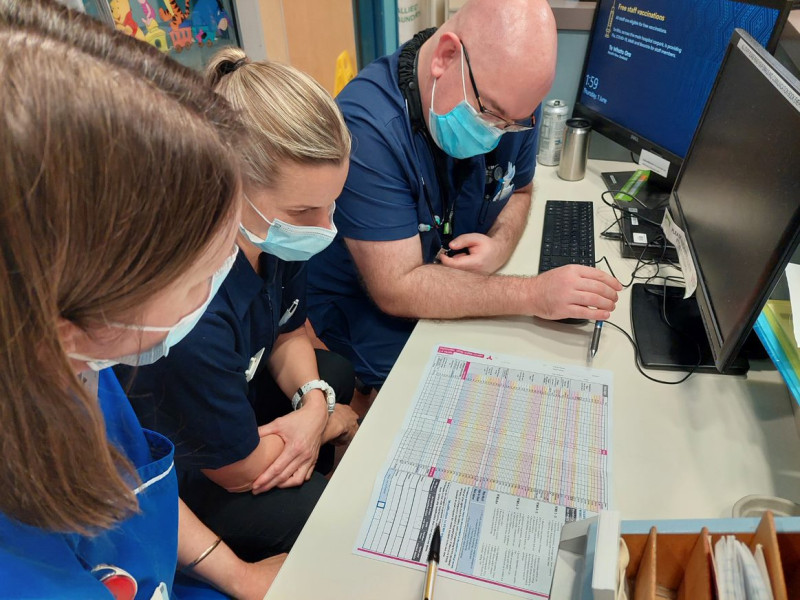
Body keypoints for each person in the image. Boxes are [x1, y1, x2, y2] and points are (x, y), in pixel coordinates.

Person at [0, 3, 278, 597]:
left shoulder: (84, 368)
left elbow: (141, 494)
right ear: (66, 321)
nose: (216, 289)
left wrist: (243, 577)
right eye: (199, 275)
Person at [117, 47, 360, 563]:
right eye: (304, 210)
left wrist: (315, 402)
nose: (325, 227)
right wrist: (326, 424)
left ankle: (299, 449)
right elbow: (239, 473)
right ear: (231, 184)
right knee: (322, 512)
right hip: (195, 468)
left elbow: (289, 329)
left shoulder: (273, 232)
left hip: (233, 397)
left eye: (332, 202)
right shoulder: (189, 314)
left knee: (333, 370)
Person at [307, 0, 623, 388]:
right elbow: (397, 288)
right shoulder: (366, 132)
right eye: (490, 114)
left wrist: (500, 245)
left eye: (514, 123)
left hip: (446, 290)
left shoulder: (513, 105)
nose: (498, 132)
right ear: (446, 56)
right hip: (369, 311)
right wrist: (533, 294)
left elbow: (520, 189)